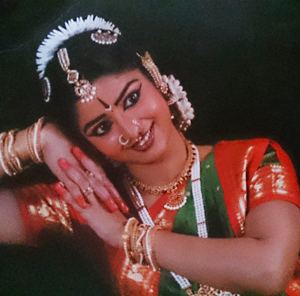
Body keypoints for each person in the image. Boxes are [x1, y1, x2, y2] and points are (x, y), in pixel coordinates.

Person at [0, 14, 299, 296]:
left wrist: (125, 236)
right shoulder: (92, 206)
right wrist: (37, 140)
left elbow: (269, 271)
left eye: (131, 98)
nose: (130, 130)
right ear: (86, 142)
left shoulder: (253, 160)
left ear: (155, 78)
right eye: (102, 127)